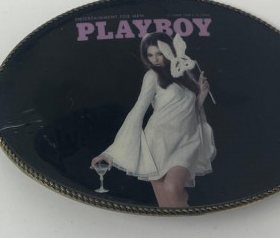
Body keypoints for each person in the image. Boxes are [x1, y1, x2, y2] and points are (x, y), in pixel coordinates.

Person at [91, 32, 215, 208]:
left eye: (159, 53)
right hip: (157, 143)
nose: (155, 59)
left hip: (186, 141)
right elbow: (138, 109)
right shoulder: (152, 76)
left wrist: (201, 95)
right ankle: (182, 219)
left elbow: (189, 112)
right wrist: (110, 152)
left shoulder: (184, 73)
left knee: (172, 189)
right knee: (165, 204)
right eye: (150, 55)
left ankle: (186, 212)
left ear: (170, 50)